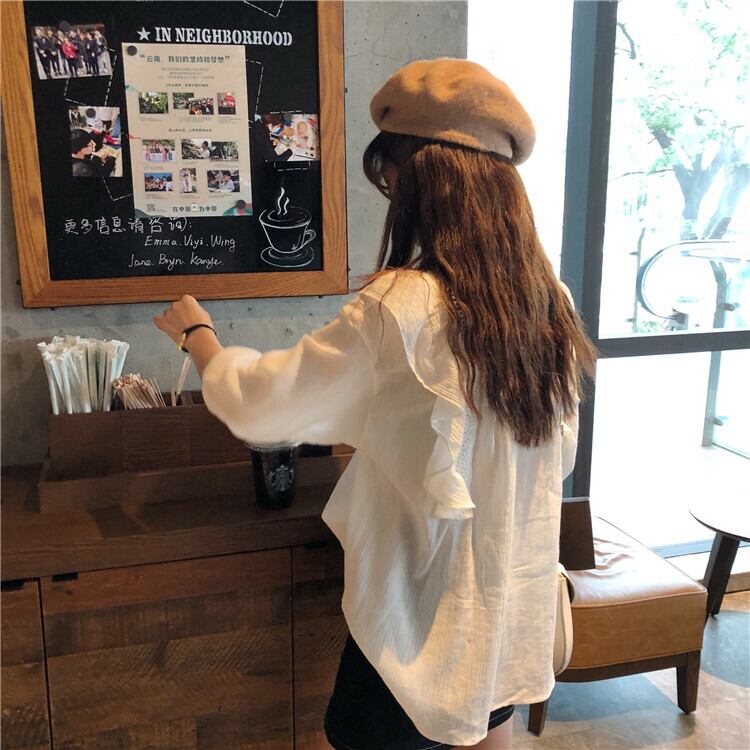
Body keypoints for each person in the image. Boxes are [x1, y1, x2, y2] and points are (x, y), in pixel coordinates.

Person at [154, 59, 596, 750]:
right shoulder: (550, 303)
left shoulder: (402, 306)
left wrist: (198, 336)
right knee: (490, 728)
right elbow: (549, 455)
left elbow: (261, 408)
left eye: (389, 176)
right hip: (505, 611)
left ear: (418, 181)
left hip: (416, 621)